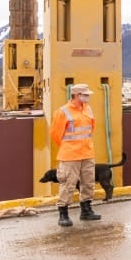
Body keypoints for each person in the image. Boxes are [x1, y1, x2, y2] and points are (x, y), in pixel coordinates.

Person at [48, 82, 101, 228]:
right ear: (77, 95)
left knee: (88, 182)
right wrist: (69, 146)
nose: (88, 97)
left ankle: (86, 210)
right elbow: (55, 133)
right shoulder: (63, 112)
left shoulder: (87, 109)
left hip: (87, 152)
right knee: (68, 184)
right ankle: (63, 214)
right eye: (85, 95)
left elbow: (91, 128)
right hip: (70, 155)